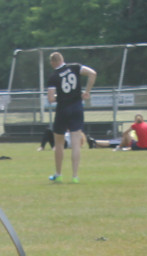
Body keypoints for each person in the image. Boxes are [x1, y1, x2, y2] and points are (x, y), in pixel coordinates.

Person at [45, 52, 96, 183]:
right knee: (76, 143)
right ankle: (75, 176)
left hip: (62, 109)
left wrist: (60, 97)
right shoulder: (75, 67)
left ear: (52, 63)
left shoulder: (53, 77)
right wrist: (87, 91)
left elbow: (50, 98)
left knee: (59, 143)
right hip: (77, 107)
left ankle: (59, 174)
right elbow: (93, 74)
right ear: (63, 59)